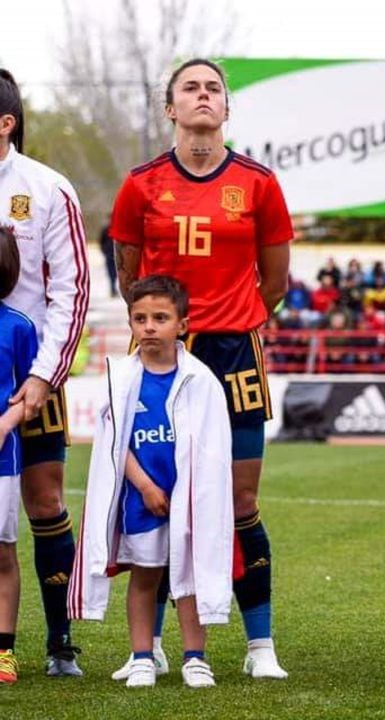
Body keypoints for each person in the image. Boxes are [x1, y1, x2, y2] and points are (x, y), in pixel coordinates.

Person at [110, 58, 292, 680]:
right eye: (191, 88)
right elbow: (129, 275)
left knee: (240, 501)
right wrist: (166, 332)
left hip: (234, 353)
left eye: (214, 87)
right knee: (161, 500)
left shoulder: (259, 183)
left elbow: (276, 281)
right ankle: (152, 645)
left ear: (227, 107)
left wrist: (232, 319)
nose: (203, 96)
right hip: (162, 354)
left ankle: (260, 644)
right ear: (171, 109)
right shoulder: (140, 185)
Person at [69, 275, 233, 689]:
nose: (149, 326)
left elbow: (213, 452)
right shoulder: (121, 377)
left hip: (188, 500)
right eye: (139, 318)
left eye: (160, 317)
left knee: (190, 579)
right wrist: (143, 484)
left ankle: (195, 658)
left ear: (182, 324)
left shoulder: (202, 380)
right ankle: (143, 656)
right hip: (142, 501)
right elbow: (113, 442)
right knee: (145, 577)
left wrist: (187, 496)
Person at [0, 68, 90, 676]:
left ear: (5, 123)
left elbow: (72, 291)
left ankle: (59, 644)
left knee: (44, 499)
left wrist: (41, 377)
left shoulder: (47, 189)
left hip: (27, 370)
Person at [0, 226, 37, 684]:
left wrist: (7, 424)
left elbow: (33, 391)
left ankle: (3, 650)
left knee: (2, 553)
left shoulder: (19, 327)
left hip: (2, 462)